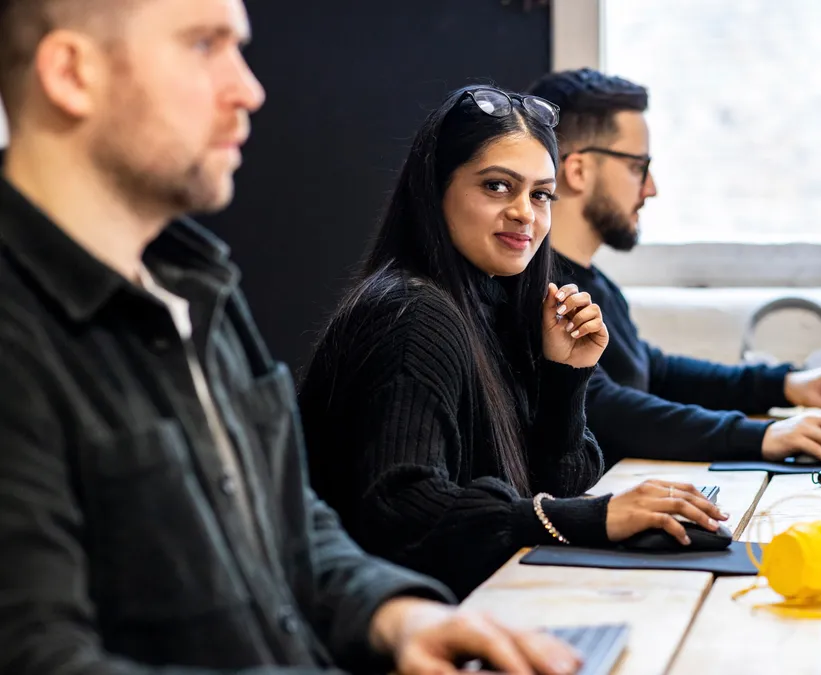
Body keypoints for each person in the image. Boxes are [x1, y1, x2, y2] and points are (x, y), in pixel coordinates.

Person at [0, 1, 583, 673]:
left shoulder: (196, 292)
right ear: (73, 73)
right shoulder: (20, 336)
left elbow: (289, 530)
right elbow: (40, 656)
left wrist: (399, 615)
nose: (249, 88)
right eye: (203, 45)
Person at [297, 84, 728, 599]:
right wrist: (595, 517)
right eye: (498, 186)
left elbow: (559, 479)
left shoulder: (498, 306)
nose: (526, 212)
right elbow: (404, 509)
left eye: (540, 194)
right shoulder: (413, 315)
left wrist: (565, 379)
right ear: (435, 190)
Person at [527, 68, 821, 468]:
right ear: (579, 171)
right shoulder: (539, 292)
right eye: (638, 167)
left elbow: (655, 370)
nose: (651, 189)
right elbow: (601, 406)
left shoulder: (596, 285)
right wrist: (764, 435)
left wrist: (786, 384)